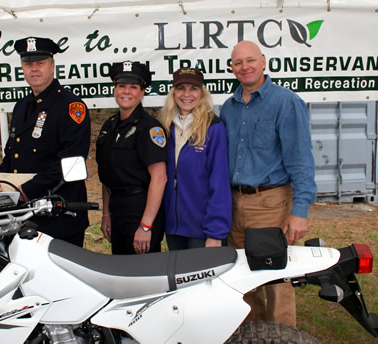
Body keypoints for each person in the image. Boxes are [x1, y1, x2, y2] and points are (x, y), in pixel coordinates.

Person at [220, 41, 317, 327]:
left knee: (274, 276)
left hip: (269, 203)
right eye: (238, 63)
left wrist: (299, 210)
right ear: (232, 68)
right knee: (241, 278)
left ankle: (282, 334)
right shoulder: (229, 107)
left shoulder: (286, 102)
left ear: (263, 62)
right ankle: (253, 333)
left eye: (250, 60)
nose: (244, 67)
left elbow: (301, 159)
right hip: (234, 204)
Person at [0, 36, 91, 246]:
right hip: (25, 215)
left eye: (40, 63)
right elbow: (13, 151)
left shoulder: (71, 106)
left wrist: (26, 190)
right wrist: (3, 179)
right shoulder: (21, 106)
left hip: (59, 215)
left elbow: (71, 161)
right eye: (28, 64)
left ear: (52, 66)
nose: (34, 69)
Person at [96, 61, 167, 255]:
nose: (126, 92)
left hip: (141, 208)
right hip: (117, 209)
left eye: (133, 87)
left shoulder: (149, 128)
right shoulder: (109, 127)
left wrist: (146, 225)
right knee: (121, 271)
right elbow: (107, 176)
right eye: (122, 86)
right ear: (115, 89)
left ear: (142, 92)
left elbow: (160, 178)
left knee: (144, 276)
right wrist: (106, 214)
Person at [158, 67, 231, 250]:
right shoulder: (164, 126)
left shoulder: (213, 127)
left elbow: (220, 183)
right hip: (173, 227)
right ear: (174, 92)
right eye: (181, 88)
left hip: (202, 230)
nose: (187, 94)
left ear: (202, 93)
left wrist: (215, 232)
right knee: (180, 276)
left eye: (194, 88)